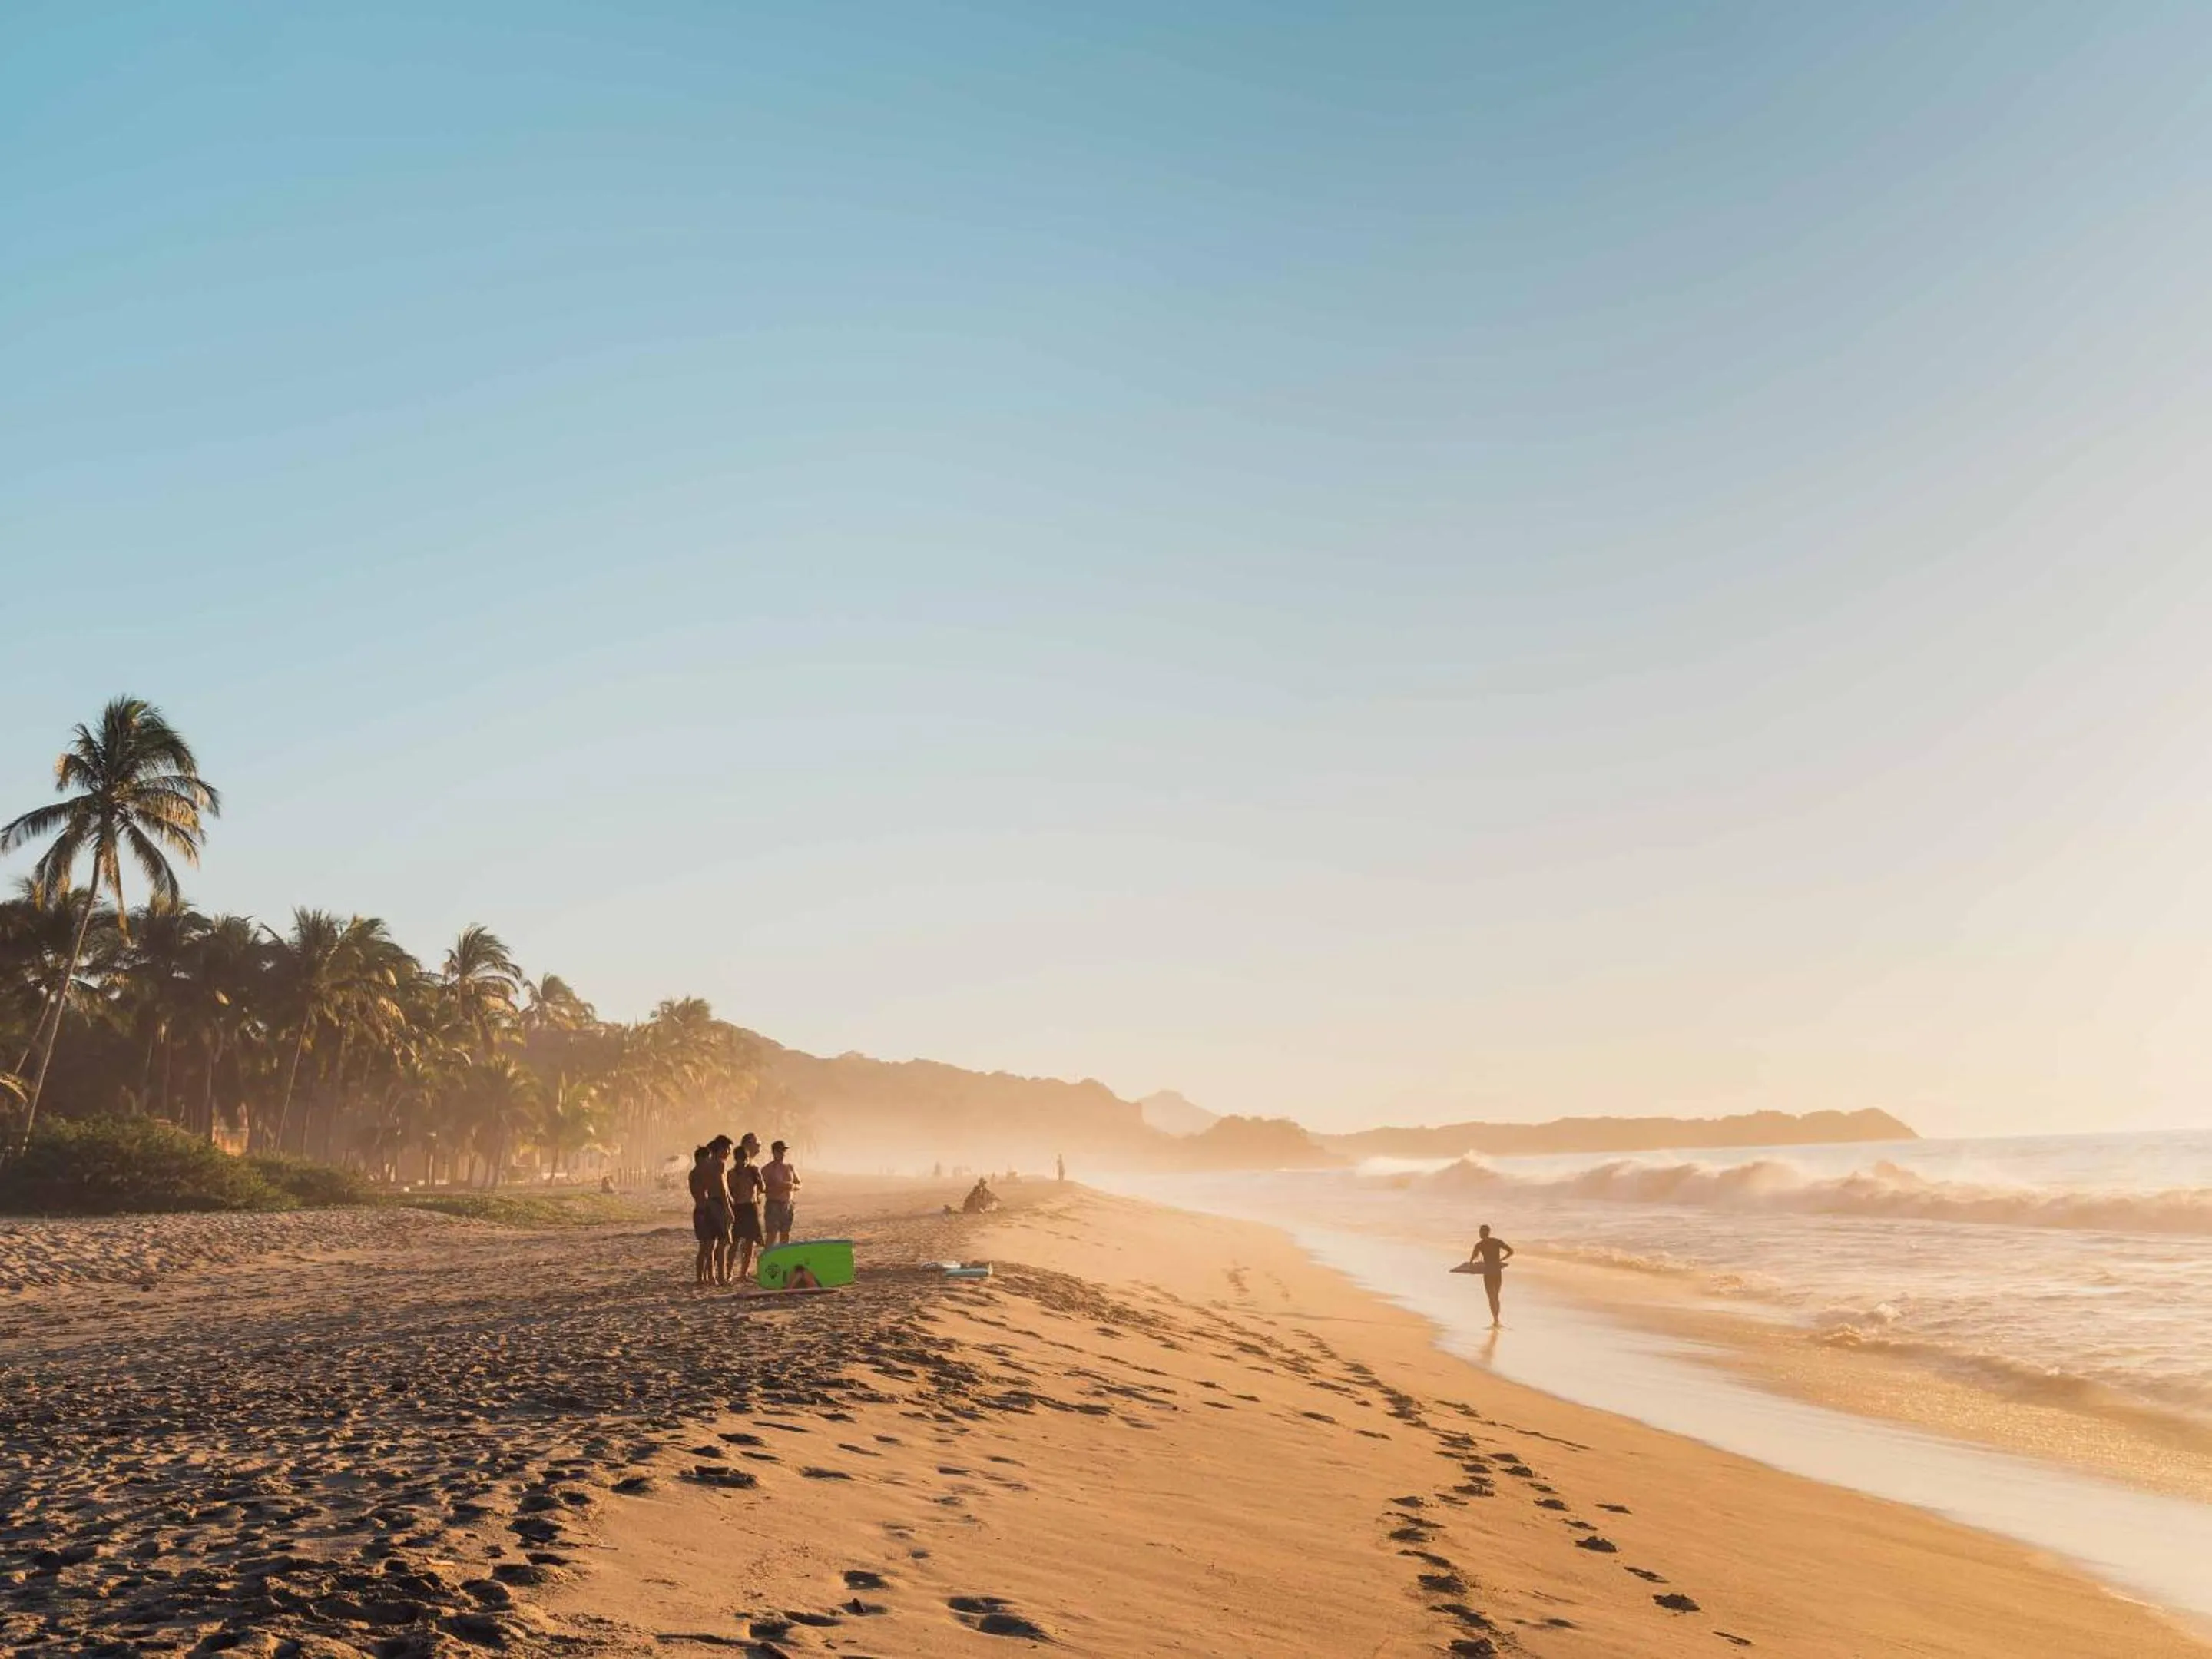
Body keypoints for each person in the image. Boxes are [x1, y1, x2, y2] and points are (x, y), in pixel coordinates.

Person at [688, 1137, 734, 1287]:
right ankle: (714, 1277)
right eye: (727, 1149)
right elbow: (720, 1188)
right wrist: (727, 1207)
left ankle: (709, 1277)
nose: (729, 1152)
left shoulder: (702, 1170)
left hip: (706, 1208)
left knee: (709, 1245)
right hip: (711, 1208)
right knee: (716, 1244)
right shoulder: (714, 1166)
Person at [728, 1132, 767, 1284]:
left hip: (751, 1206)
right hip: (738, 1207)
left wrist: (758, 1178)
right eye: (756, 1144)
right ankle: (729, 1272)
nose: (759, 1147)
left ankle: (743, 1273)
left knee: (751, 1242)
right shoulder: (732, 1173)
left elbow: (762, 1188)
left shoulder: (753, 1169)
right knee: (735, 1241)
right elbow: (729, 1192)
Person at [1466, 1224, 1513, 1326]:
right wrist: (1501, 1260)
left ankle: (1496, 1320)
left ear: (1483, 1233)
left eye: (1480, 1232)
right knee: (1495, 1296)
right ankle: (1497, 1320)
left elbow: (1473, 1258)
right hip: (1497, 1271)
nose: (1480, 1234)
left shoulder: (1479, 1245)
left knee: (1492, 1297)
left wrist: (1471, 1265)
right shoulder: (1496, 1242)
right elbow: (1511, 1252)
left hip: (1488, 1273)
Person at [762, 1139, 801, 1246]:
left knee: (785, 1233)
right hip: (773, 1203)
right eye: (780, 1151)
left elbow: (799, 1184)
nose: (782, 1154)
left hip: (787, 1204)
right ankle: (769, 1258)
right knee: (772, 1234)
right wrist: (777, 1188)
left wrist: (792, 1186)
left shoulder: (790, 1167)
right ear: (774, 1152)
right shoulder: (767, 1169)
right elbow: (762, 1188)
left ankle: (785, 1258)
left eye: (784, 1151)